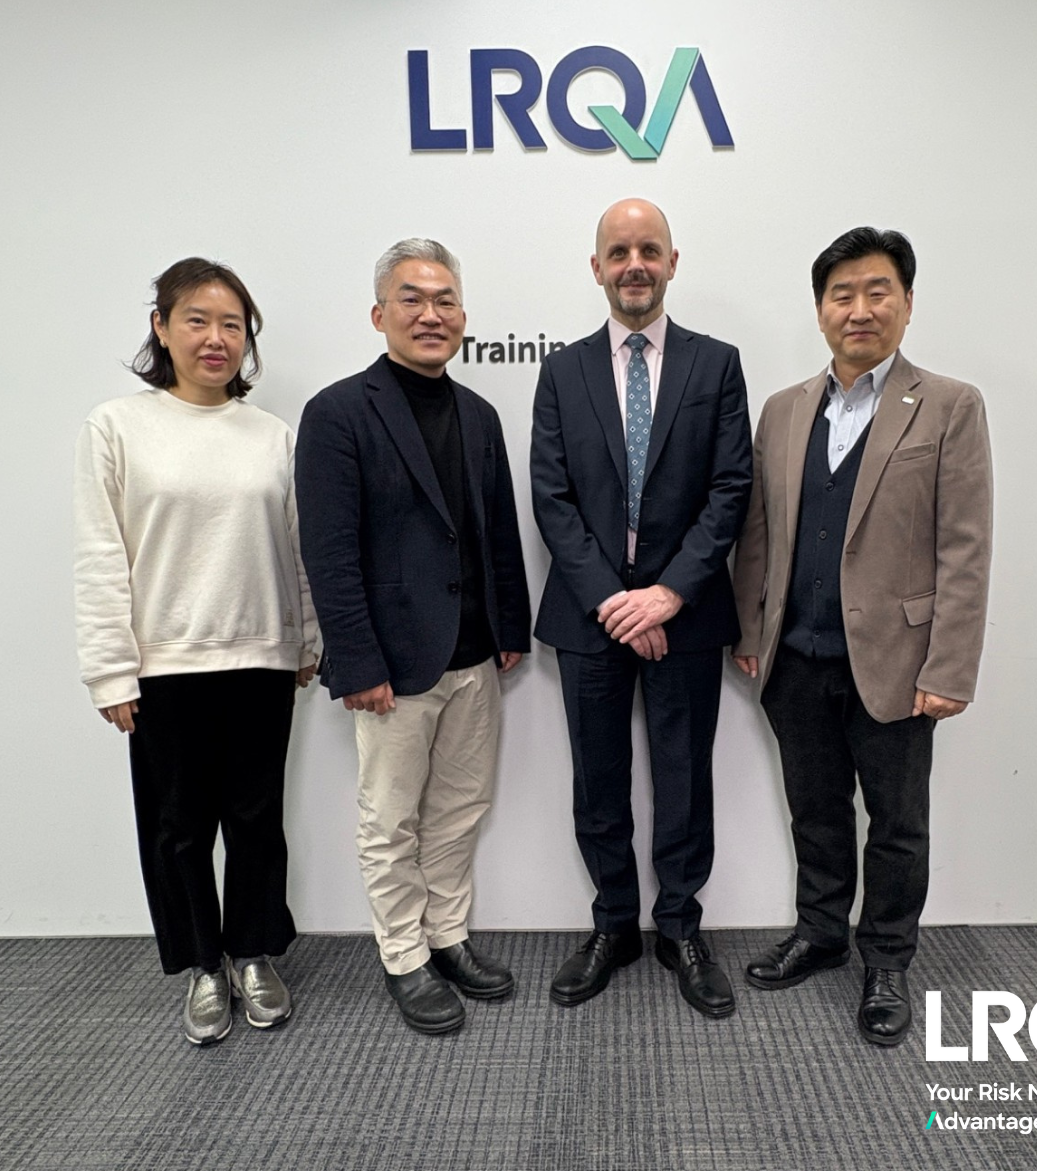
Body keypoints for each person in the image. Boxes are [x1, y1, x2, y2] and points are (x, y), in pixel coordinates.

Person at [731, 227, 993, 1045]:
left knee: (897, 824)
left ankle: (886, 959)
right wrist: (751, 630)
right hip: (793, 656)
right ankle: (820, 932)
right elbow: (758, 533)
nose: (860, 309)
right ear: (820, 311)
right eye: (842, 294)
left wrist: (949, 666)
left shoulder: (950, 405)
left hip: (899, 664)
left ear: (907, 303)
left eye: (878, 291)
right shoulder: (783, 411)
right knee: (814, 811)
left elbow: (965, 547)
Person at [74, 258, 318, 1046]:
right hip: (165, 665)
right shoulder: (117, 426)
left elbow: (298, 549)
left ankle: (252, 953)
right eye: (197, 321)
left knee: (256, 820)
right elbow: (100, 555)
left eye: (232, 326)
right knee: (177, 828)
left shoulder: (271, 436)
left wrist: (307, 639)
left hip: (261, 658)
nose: (216, 339)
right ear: (161, 327)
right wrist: (110, 669)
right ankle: (203, 966)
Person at [295, 239, 529, 1036]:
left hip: (475, 657)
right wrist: (357, 660)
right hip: (392, 667)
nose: (431, 314)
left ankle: (447, 937)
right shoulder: (337, 413)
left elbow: (498, 532)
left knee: (460, 809)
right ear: (379, 314)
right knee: (390, 820)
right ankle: (403, 956)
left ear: (463, 315)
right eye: (412, 299)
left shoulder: (479, 414)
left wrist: (510, 626)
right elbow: (328, 553)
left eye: (445, 300)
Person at [531, 198, 752, 1019]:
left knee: (684, 779)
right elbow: (552, 499)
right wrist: (615, 600)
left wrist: (667, 594)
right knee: (599, 782)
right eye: (619, 251)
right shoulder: (561, 372)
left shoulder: (716, 365)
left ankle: (681, 929)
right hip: (590, 616)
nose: (635, 264)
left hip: (685, 613)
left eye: (649, 249)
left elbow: (731, 489)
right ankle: (613, 925)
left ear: (672, 262)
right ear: (597, 267)